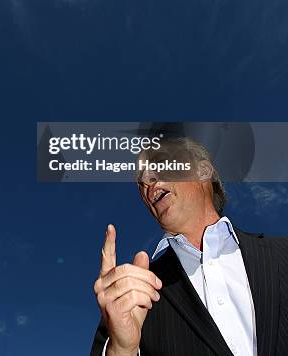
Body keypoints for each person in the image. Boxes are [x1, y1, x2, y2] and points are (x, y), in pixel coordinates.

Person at [91, 137, 288, 356]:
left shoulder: (282, 254)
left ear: (204, 171)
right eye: (141, 181)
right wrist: (122, 348)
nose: (147, 181)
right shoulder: (131, 295)